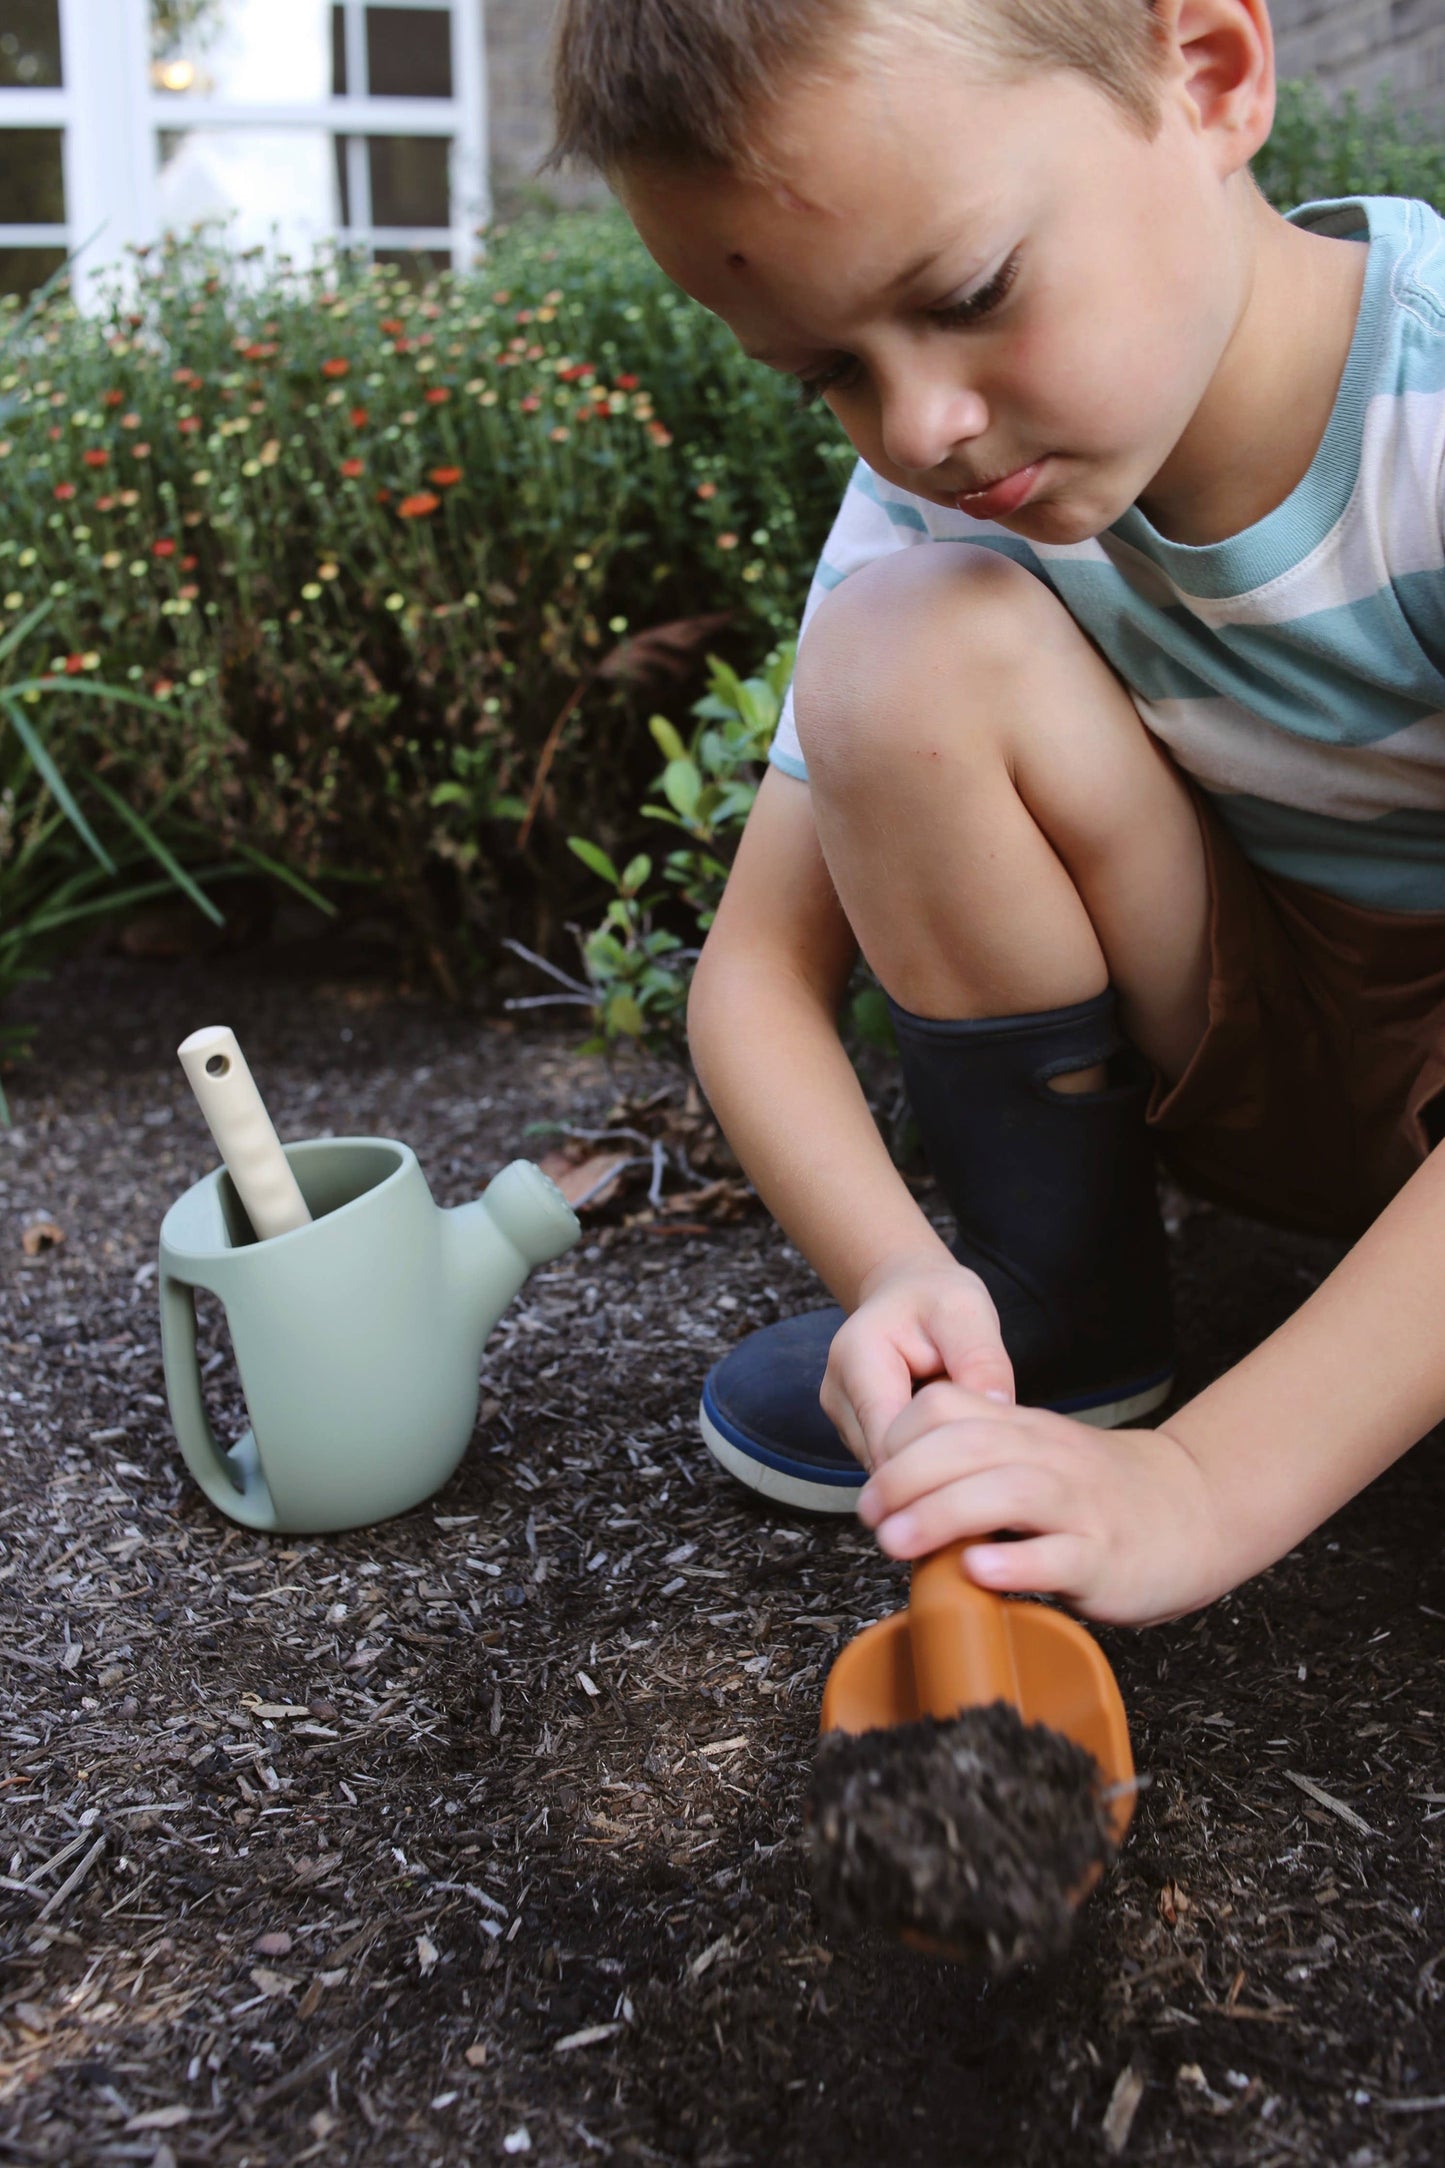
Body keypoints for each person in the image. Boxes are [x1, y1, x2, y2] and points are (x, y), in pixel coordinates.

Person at [548, 0, 1445, 1627]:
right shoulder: (948, 480)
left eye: (966, 296)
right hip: (1264, 1050)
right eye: (829, 370)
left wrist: (1204, 1483)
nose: (916, 429)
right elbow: (751, 979)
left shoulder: (1428, 423)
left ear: (1208, 76)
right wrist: (897, 1274)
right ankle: (1062, 1315)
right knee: (893, 657)